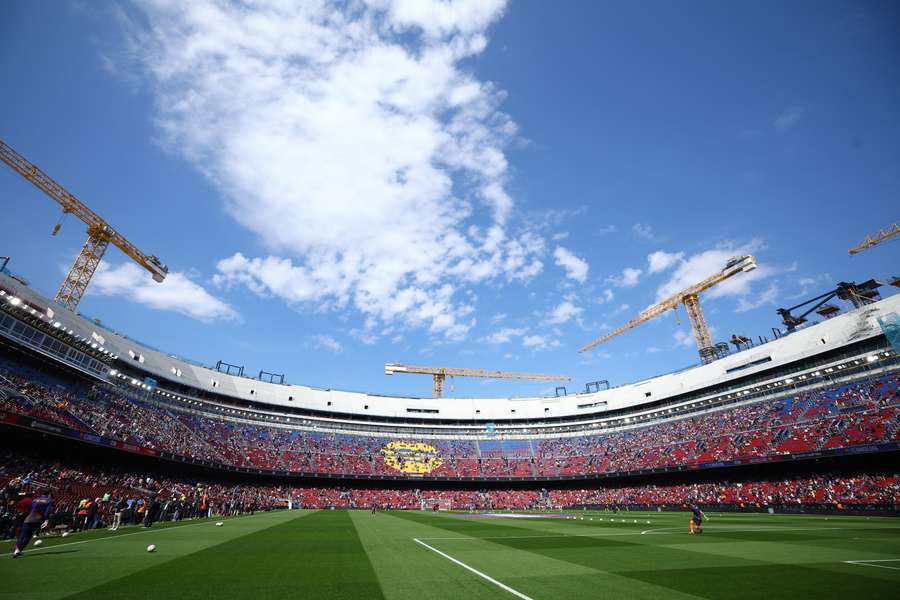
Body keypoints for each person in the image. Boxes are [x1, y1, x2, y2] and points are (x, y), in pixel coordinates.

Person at [13, 487, 53, 558]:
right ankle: (19, 550)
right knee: (28, 536)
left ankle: (17, 550)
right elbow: (47, 512)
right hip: (38, 519)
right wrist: (46, 520)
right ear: (49, 493)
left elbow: (30, 509)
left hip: (29, 518)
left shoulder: (35, 499)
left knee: (23, 535)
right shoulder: (49, 500)